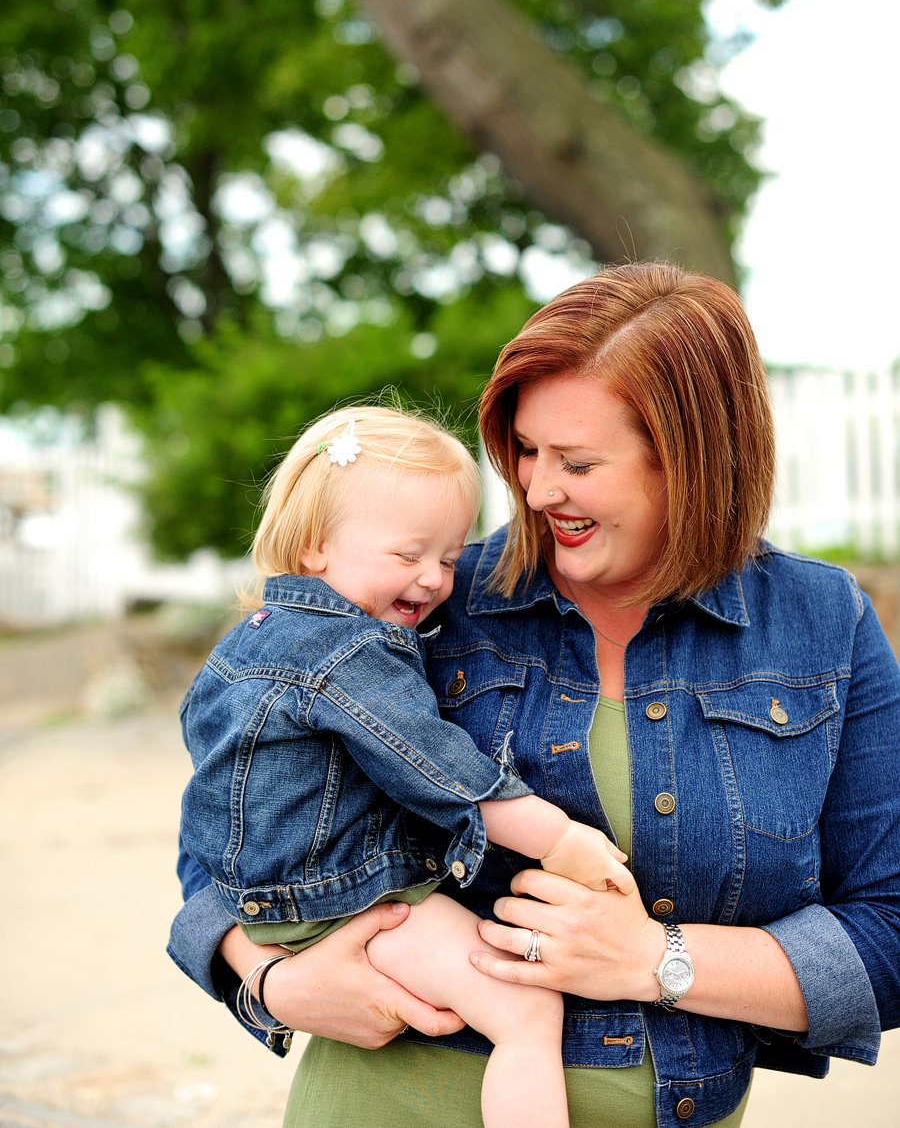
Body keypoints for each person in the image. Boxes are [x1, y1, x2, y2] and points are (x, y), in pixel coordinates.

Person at [168, 263, 900, 1128]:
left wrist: (655, 959)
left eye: (578, 461)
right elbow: (236, 812)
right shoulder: (430, 603)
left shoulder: (822, 623)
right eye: (524, 450)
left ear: (694, 459)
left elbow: (885, 938)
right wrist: (269, 977)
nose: (538, 488)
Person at [176, 404, 635, 1128]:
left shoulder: (243, 645)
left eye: (449, 557)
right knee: (526, 1010)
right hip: (349, 904)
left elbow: (208, 790)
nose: (433, 579)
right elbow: (443, 769)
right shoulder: (354, 653)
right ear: (317, 545)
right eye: (408, 553)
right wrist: (558, 839)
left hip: (262, 909)